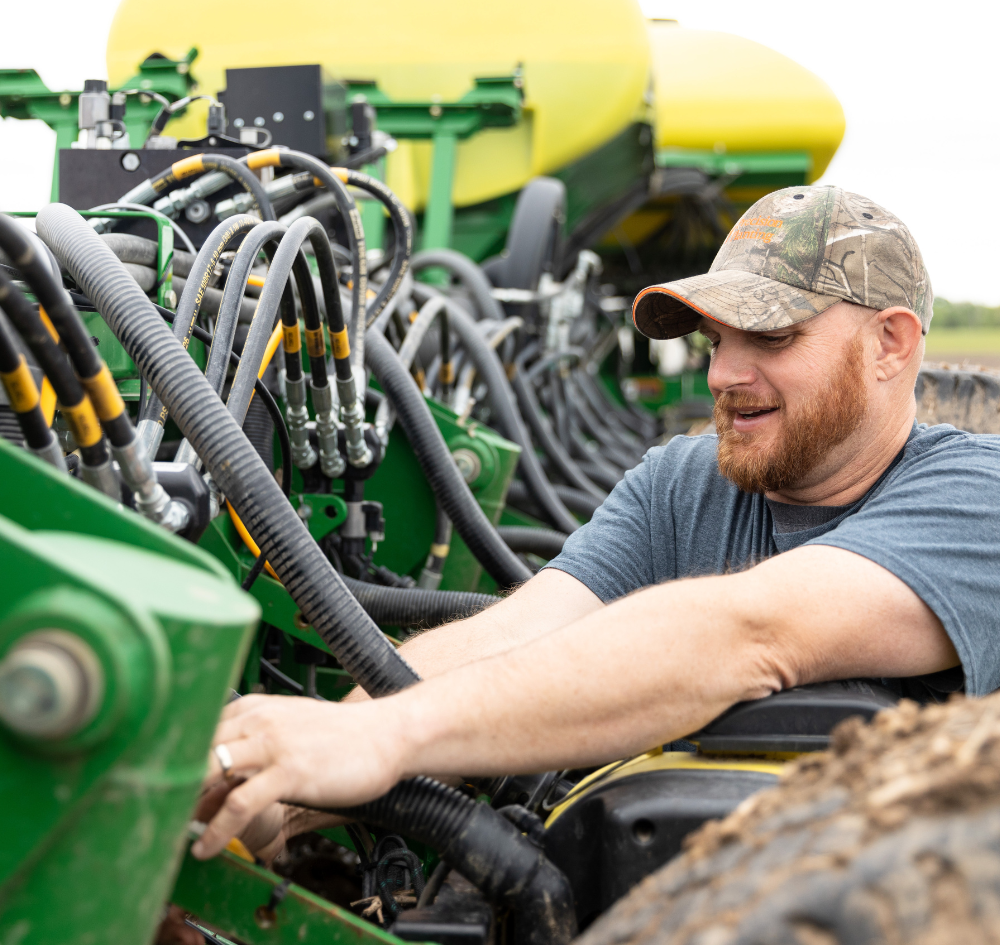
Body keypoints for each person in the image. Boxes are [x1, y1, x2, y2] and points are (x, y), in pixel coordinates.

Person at [191, 185, 1000, 862]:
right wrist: (285, 786)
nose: (724, 374)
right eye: (717, 340)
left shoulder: (975, 496)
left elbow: (756, 635)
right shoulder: (683, 481)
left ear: (891, 342)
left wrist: (392, 737)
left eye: (770, 336)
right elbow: (528, 634)